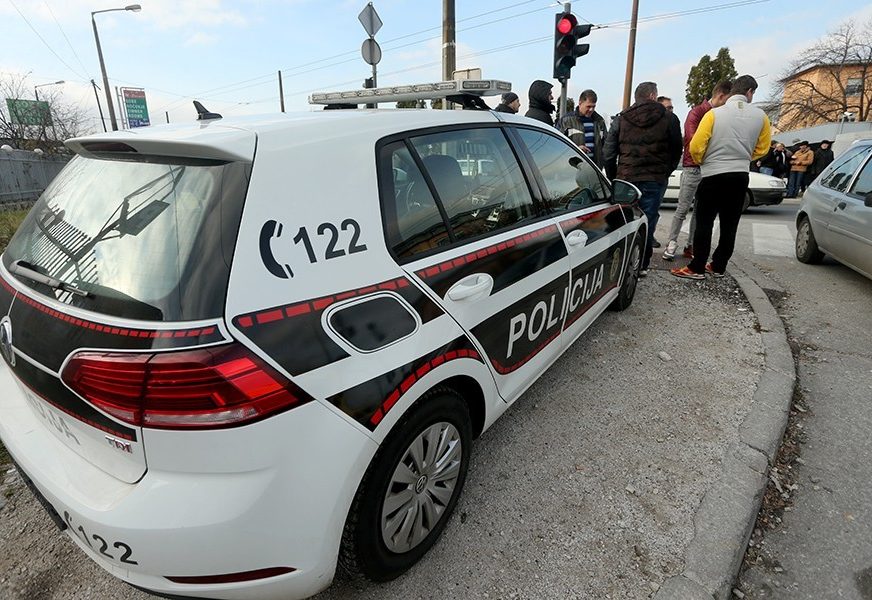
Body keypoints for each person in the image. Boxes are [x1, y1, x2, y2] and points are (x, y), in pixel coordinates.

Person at [671, 75, 771, 280]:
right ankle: (718, 265)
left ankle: (697, 266)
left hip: (713, 174)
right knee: (729, 224)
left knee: (704, 222)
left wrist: (705, 161)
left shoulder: (714, 114)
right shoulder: (761, 117)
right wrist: (744, 157)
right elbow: (763, 148)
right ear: (750, 92)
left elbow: (696, 146)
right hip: (740, 175)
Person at [603, 81, 682, 276]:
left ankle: (617, 265)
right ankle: (642, 265)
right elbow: (676, 149)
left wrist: (615, 177)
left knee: (623, 221)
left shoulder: (621, 119)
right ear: (654, 96)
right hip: (654, 178)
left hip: (626, 177)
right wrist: (665, 172)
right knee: (648, 221)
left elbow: (608, 152)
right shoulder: (669, 118)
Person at [662, 80, 733, 261]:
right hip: (693, 167)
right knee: (683, 208)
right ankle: (672, 242)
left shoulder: (721, 115)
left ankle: (691, 245)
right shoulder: (697, 112)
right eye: (727, 100)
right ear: (721, 96)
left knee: (701, 211)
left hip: (710, 168)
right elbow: (692, 141)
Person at [558, 89, 608, 168]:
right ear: (580, 103)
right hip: (572, 169)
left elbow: (606, 146)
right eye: (588, 106)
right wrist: (576, 149)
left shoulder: (599, 121)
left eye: (593, 106)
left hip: (594, 170)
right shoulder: (566, 121)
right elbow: (557, 145)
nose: (591, 109)